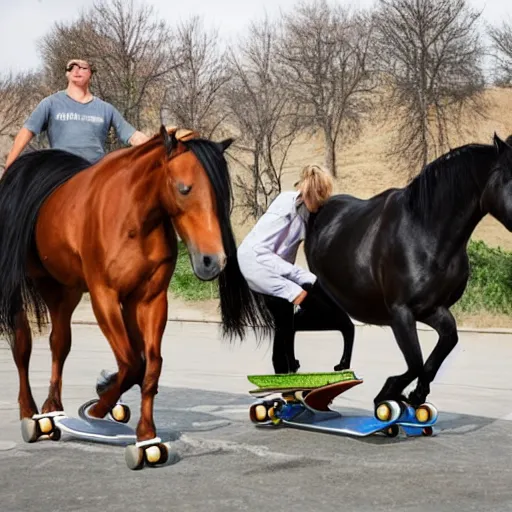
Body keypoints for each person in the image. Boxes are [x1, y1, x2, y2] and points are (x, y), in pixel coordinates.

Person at [237, 164, 339, 373]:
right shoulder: (286, 206)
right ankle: (285, 366)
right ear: (309, 194)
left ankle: (285, 365)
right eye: (319, 200)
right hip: (255, 263)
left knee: (284, 317)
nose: (321, 206)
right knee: (300, 299)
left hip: (270, 265)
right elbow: (261, 253)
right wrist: (302, 276)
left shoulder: (302, 211)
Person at [4, 58, 149, 171]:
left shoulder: (106, 109)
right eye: (71, 67)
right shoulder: (50, 103)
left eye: (82, 67)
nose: (76, 70)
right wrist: (9, 168)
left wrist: (158, 141)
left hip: (95, 170)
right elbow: (26, 132)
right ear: (67, 74)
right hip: (59, 170)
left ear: (90, 73)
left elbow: (133, 136)